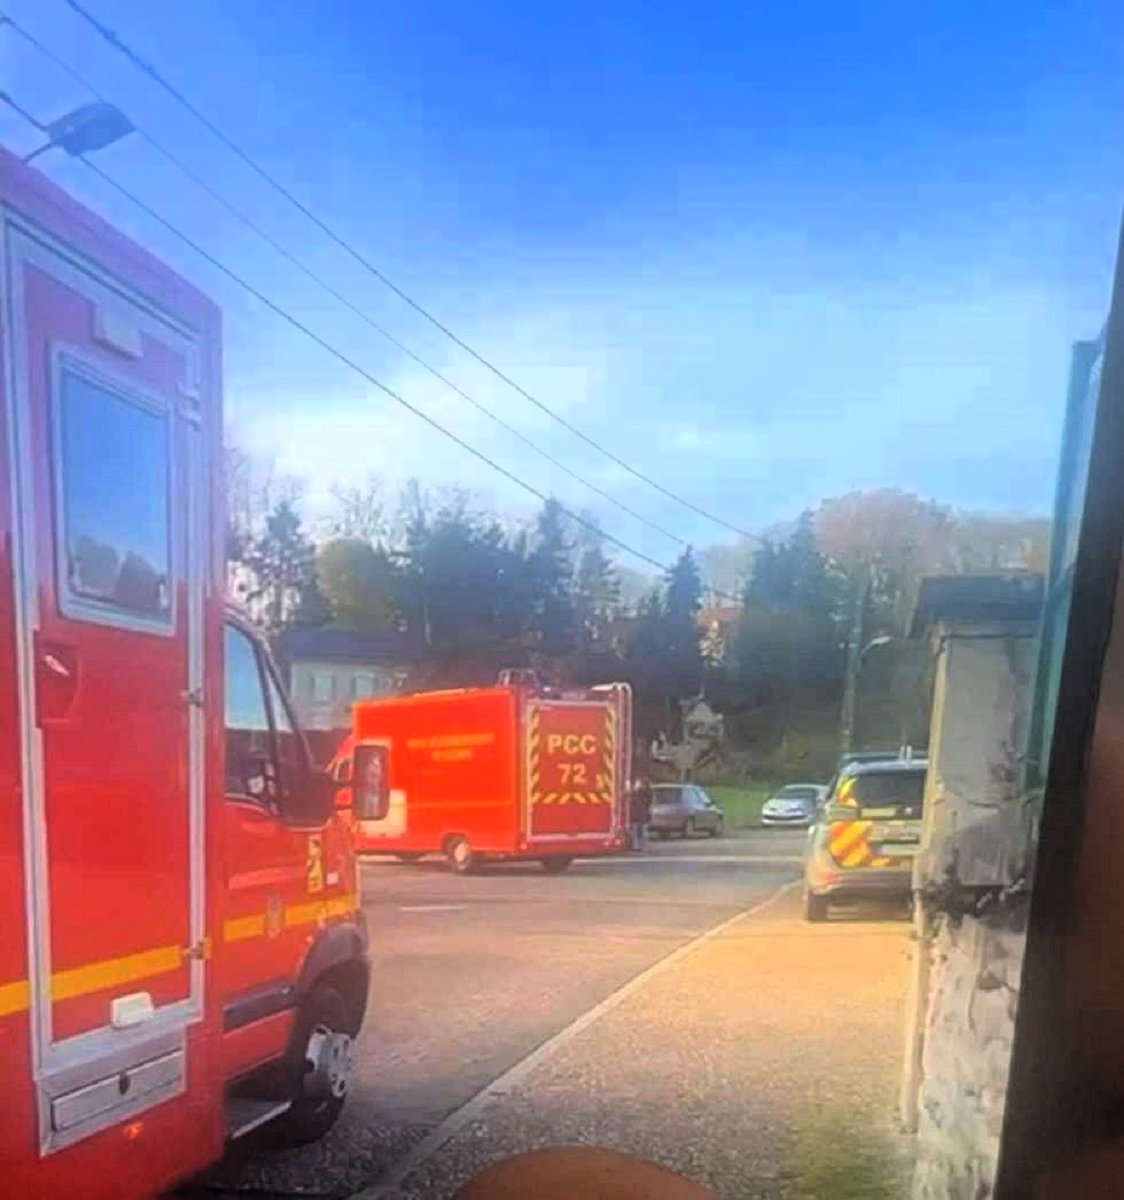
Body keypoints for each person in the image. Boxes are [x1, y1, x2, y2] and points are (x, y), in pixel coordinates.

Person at [629, 775, 652, 851]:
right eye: (637, 783)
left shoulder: (642, 793)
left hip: (640, 816)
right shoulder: (639, 793)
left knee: (640, 832)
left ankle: (640, 846)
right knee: (638, 832)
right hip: (639, 816)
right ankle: (638, 846)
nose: (637, 785)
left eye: (638, 783)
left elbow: (647, 803)